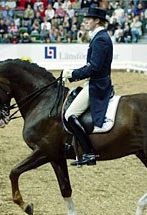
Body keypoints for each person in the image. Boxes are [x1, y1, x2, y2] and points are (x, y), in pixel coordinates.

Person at [62, 7, 113, 166]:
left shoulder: (101, 39)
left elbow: (94, 67)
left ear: (97, 20)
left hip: (97, 84)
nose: (86, 22)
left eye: (88, 19)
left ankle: (89, 153)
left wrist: (73, 74)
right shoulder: (99, 37)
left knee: (70, 114)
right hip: (94, 81)